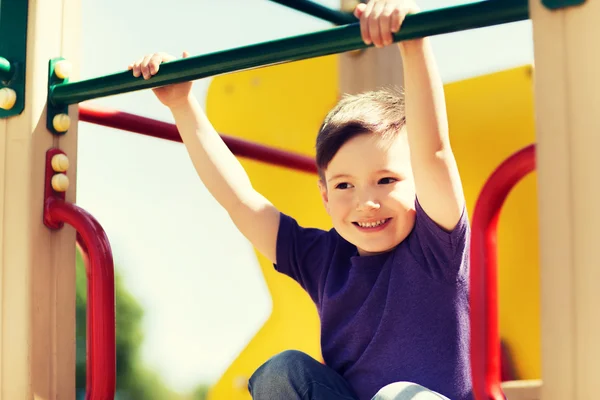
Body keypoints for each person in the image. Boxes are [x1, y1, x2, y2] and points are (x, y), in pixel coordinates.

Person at [128, 0, 471, 399]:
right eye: (345, 186)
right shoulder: (325, 261)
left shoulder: (438, 246)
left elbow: (434, 154)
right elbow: (240, 201)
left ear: (418, 185)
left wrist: (414, 45)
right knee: (282, 372)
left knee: (397, 396)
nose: (366, 202)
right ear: (324, 196)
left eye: (386, 180)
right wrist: (182, 106)